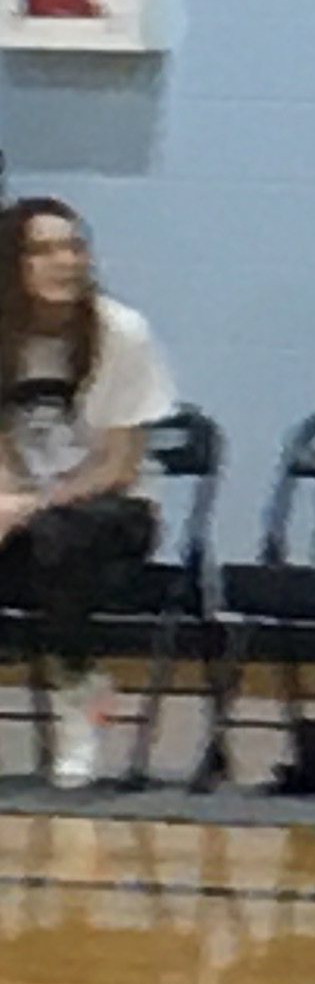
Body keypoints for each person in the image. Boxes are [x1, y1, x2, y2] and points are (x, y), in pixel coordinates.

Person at [0, 199, 176, 788]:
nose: (65, 261)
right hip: (25, 508)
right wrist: (9, 500)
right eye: (44, 250)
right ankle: (79, 679)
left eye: (74, 247)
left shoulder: (120, 332)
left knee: (57, 538)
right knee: (37, 542)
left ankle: (76, 693)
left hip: (111, 510)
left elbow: (119, 465)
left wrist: (33, 505)